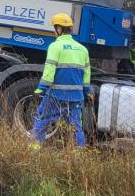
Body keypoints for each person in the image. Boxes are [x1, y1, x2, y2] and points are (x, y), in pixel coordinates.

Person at [30, 13, 92, 148]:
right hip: (76, 97)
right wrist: (87, 92)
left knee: (42, 118)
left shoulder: (55, 46)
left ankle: (34, 149)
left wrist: (41, 88)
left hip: (55, 95)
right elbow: (86, 76)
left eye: (55, 28)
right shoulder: (83, 50)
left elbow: (49, 71)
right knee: (76, 125)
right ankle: (78, 153)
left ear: (59, 29)